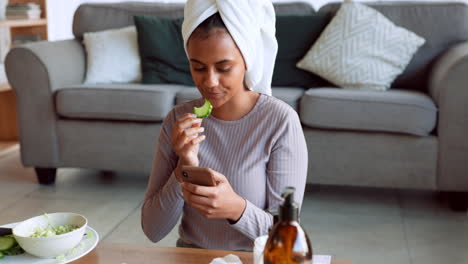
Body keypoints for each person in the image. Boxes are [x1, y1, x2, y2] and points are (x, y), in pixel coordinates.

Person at [141, 0, 308, 251]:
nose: (210, 82)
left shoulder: (280, 121)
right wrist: (183, 167)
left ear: (247, 60)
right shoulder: (178, 121)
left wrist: (236, 209)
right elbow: (152, 230)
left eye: (224, 68)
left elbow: (289, 240)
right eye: (198, 67)